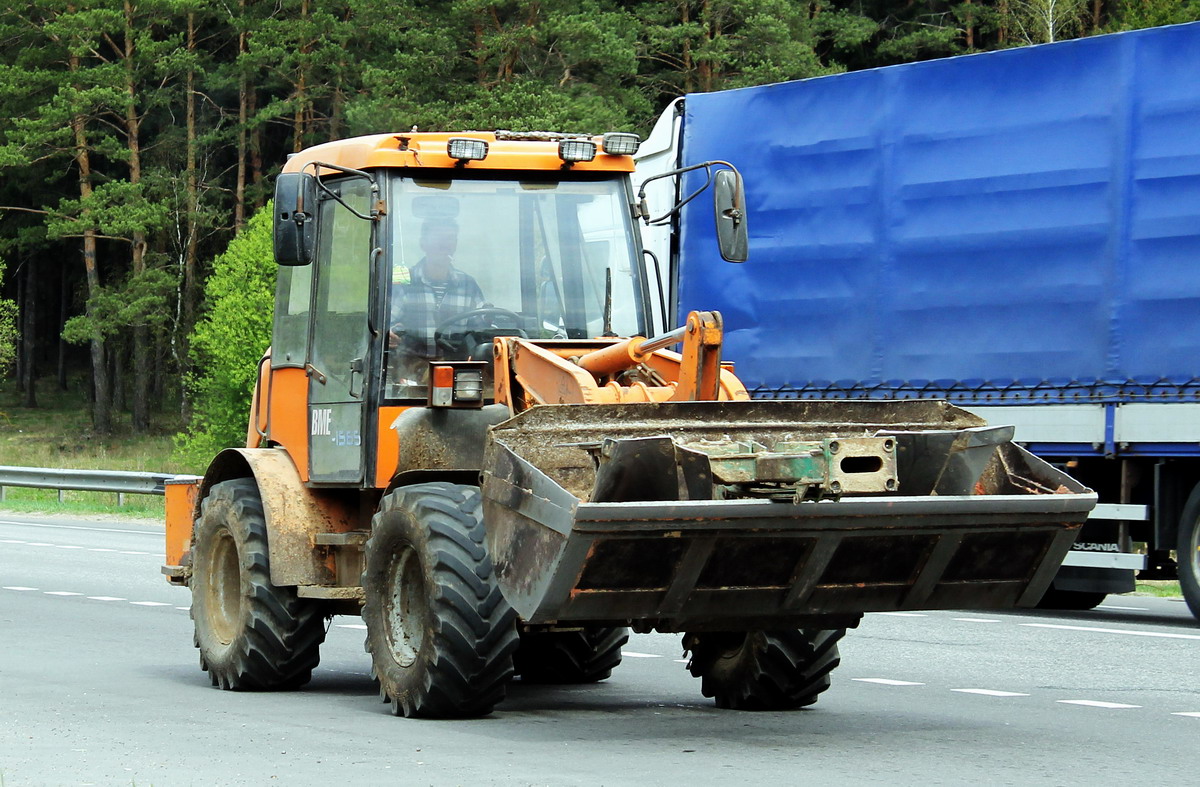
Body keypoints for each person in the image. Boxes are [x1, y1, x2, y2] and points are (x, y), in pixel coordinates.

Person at [389, 219, 485, 380]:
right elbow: (386, 324)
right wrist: (389, 333)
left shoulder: (468, 285)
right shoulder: (404, 282)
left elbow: (482, 329)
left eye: (450, 238)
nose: (444, 244)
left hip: (458, 374)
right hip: (411, 370)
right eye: (438, 238)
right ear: (423, 244)